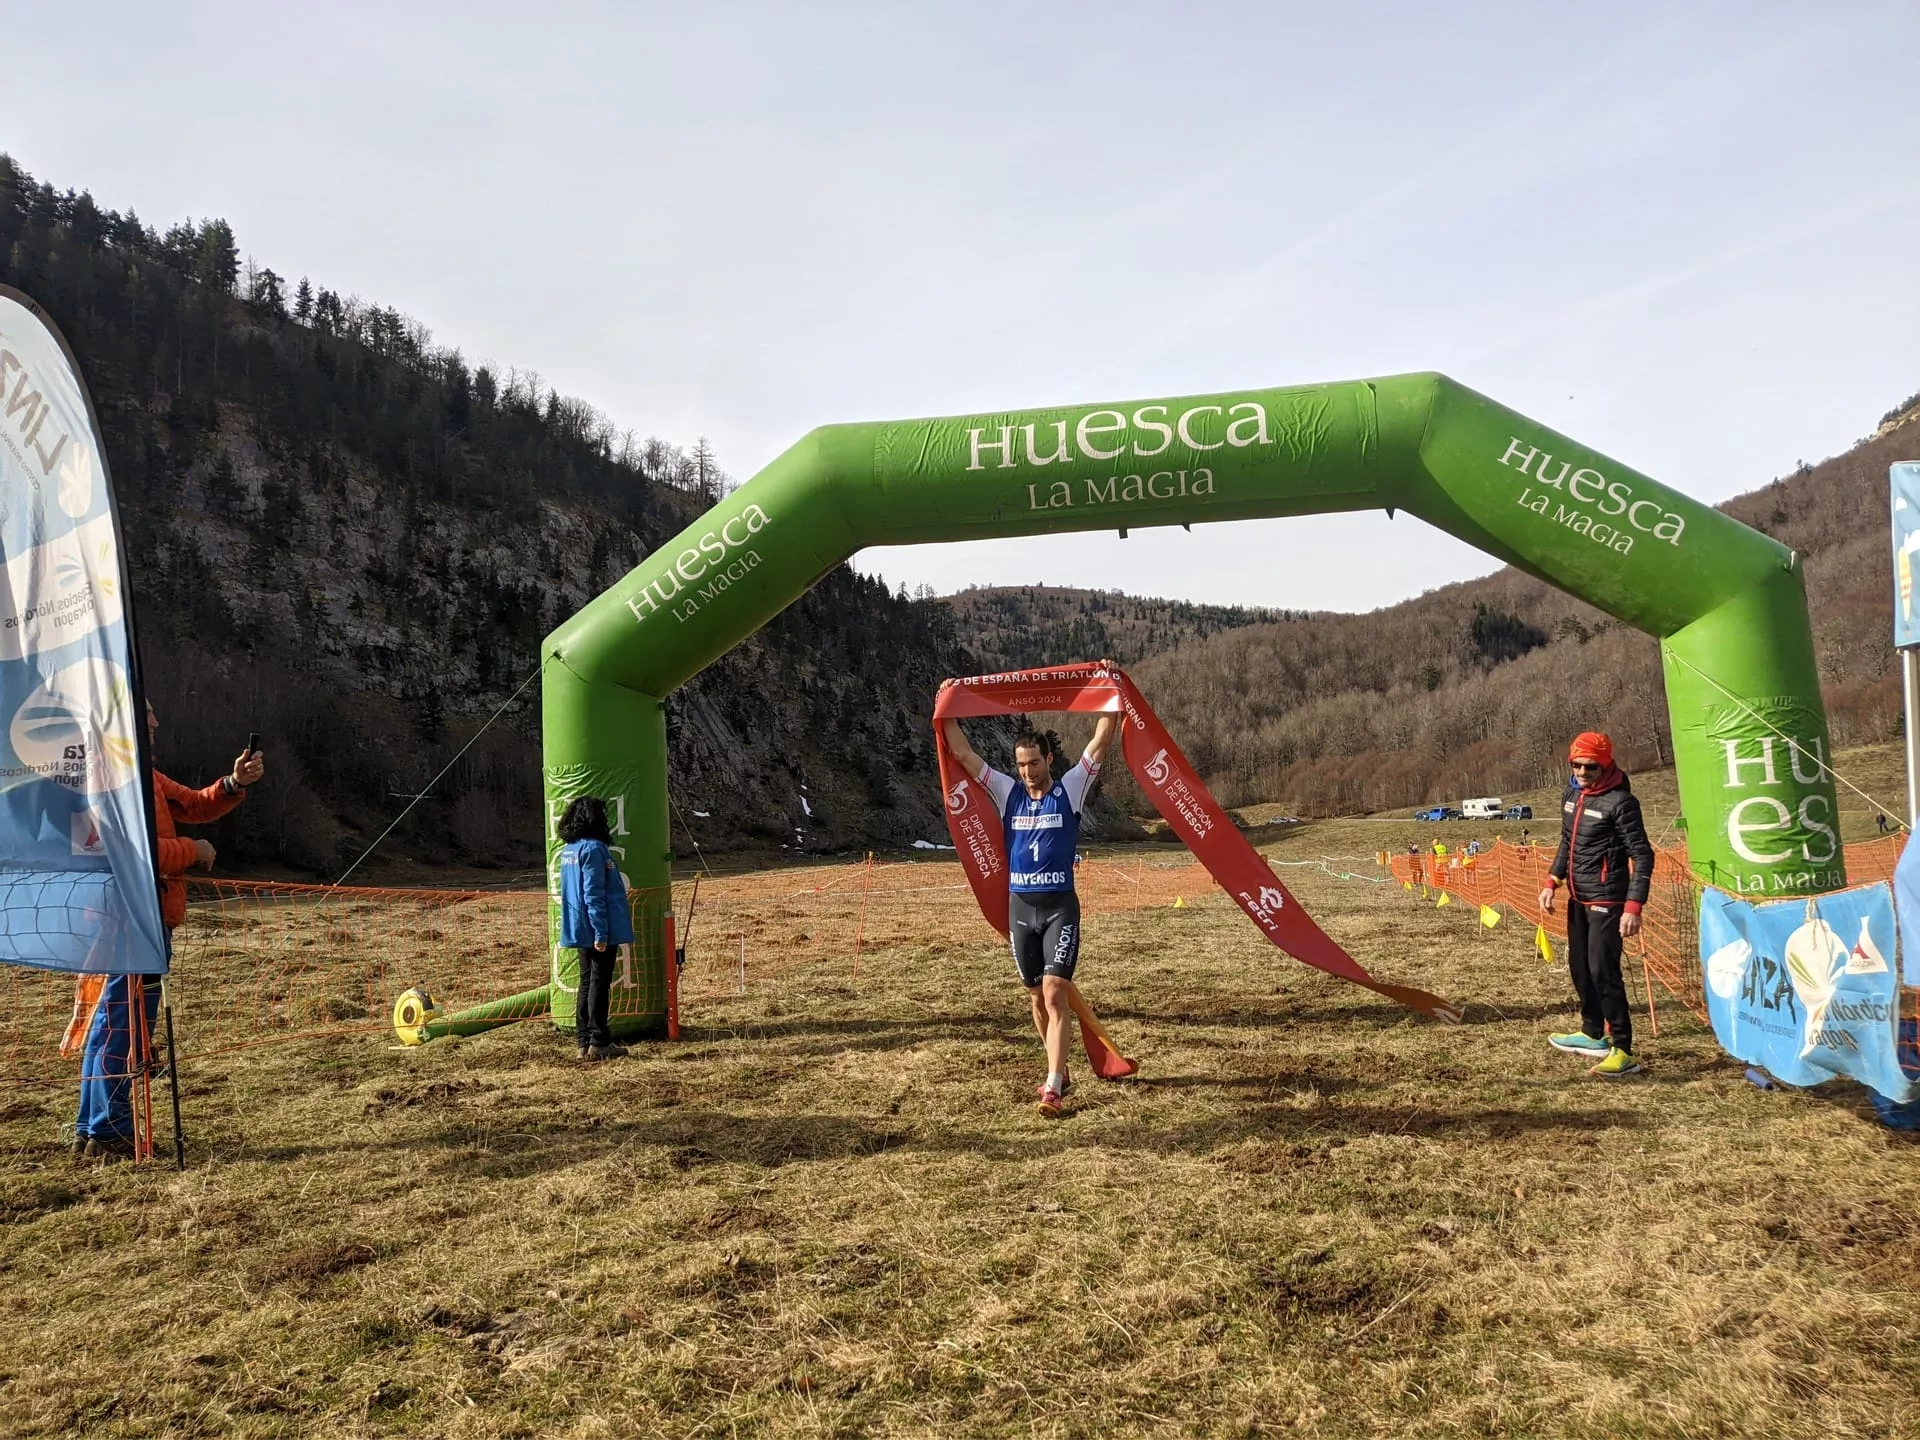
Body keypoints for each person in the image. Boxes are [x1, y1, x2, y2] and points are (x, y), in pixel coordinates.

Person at [73, 702, 264, 1161]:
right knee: (126, 1023)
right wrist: (192, 850)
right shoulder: (112, 778)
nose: (156, 725)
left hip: (135, 915)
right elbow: (129, 853)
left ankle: (92, 1127)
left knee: (113, 1020)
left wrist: (234, 783)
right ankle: (110, 1130)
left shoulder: (146, 775)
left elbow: (195, 803)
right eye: (147, 718)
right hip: (132, 915)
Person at [941, 712, 1118, 1117]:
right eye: (1021, 764)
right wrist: (946, 706)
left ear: (1049, 759)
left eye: (1034, 763)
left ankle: (1052, 1086)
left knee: (1056, 990)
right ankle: (1060, 1066)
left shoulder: (1071, 788)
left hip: (1059, 907)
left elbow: (1102, 739)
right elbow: (963, 754)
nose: (1027, 772)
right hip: (1020, 907)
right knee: (1036, 996)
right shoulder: (1007, 792)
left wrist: (1111, 694)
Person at [1538, 731, 1654, 1078]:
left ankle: (1624, 1050)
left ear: (1604, 765)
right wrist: (1551, 881)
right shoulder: (1571, 794)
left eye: (1590, 766)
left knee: (1604, 971)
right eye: (1576, 765)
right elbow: (1566, 842)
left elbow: (1643, 856)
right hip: (1578, 895)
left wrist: (1633, 907)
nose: (1582, 772)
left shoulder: (1621, 803)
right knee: (1580, 967)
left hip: (1608, 897)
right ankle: (1592, 1034)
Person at [557, 796, 634, 1062]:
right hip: (597, 926)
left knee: (586, 981)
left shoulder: (568, 850)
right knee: (599, 983)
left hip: (577, 926)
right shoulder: (594, 850)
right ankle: (599, 1040)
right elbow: (593, 893)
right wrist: (601, 931)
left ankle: (583, 1041)